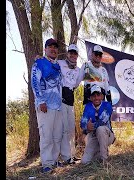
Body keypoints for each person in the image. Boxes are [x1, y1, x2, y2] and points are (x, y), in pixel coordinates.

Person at [31, 38, 63, 173]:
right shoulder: (39, 63)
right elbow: (34, 82)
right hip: (45, 105)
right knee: (46, 136)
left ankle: (55, 160)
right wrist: (41, 101)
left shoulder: (57, 65)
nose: (53, 49)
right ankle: (47, 163)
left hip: (58, 106)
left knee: (57, 136)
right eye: (50, 47)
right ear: (45, 49)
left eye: (55, 47)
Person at [58, 44, 82, 164]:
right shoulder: (60, 63)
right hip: (61, 99)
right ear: (67, 54)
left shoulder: (78, 70)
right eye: (71, 53)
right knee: (65, 129)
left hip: (70, 98)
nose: (73, 55)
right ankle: (66, 157)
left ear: (77, 56)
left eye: (75, 53)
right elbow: (49, 63)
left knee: (71, 128)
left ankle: (72, 154)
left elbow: (76, 84)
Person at [80, 85, 115, 164]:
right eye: (94, 96)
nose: (96, 98)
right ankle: (100, 152)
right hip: (94, 135)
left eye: (98, 95)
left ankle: (104, 159)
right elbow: (82, 122)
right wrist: (86, 126)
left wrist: (87, 129)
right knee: (84, 161)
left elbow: (102, 121)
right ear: (91, 98)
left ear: (102, 96)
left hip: (107, 135)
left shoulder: (107, 105)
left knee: (101, 129)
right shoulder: (88, 106)